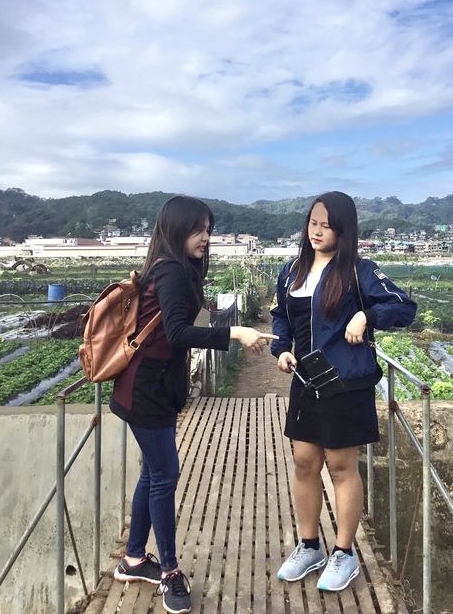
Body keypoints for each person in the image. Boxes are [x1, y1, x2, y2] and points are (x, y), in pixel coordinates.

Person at [110, 195, 276, 614]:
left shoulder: (171, 269)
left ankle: (133, 559)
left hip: (148, 388)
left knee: (153, 472)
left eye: (209, 229)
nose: (205, 238)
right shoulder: (170, 272)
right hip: (146, 390)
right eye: (198, 230)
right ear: (176, 230)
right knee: (165, 474)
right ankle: (168, 571)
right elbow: (179, 332)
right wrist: (235, 333)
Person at [270, 191, 416, 592]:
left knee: (340, 466)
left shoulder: (359, 270)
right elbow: (281, 317)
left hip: (346, 383)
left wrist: (366, 314)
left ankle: (344, 552)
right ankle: (309, 545)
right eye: (313, 223)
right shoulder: (292, 270)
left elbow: (405, 307)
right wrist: (281, 348)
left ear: (344, 229)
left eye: (327, 225)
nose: (317, 231)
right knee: (303, 461)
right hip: (306, 381)